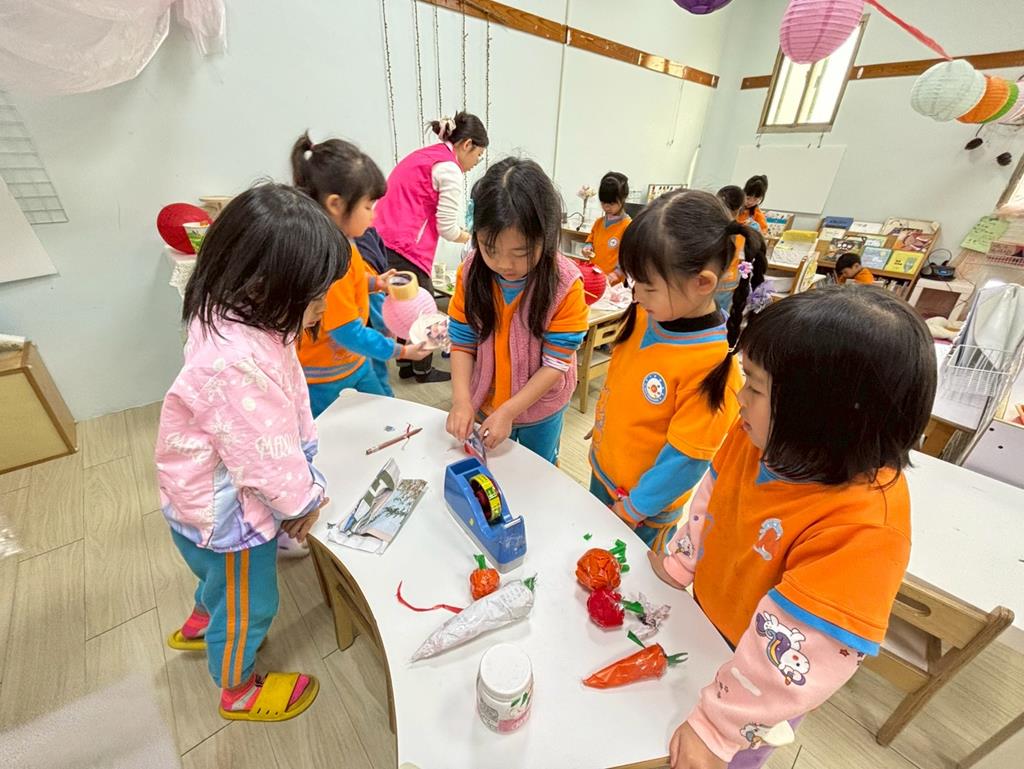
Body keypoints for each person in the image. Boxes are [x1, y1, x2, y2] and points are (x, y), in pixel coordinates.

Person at [649, 286, 936, 769]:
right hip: (705, 625)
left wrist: (717, 730)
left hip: (762, 686)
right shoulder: (755, 435)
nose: (740, 397)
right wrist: (682, 561)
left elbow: (795, 659)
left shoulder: (866, 527)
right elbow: (711, 502)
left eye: (756, 387)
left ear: (823, 415)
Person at [157, 184, 344, 722]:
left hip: (195, 494)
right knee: (251, 605)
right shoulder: (237, 362)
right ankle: (236, 687)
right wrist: (305, 500)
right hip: (229, 517)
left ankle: (202, 621)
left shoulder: (227, 309)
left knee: (214, 580)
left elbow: (278, 413)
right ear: (266, 285)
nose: (323, 307)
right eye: (316, 295)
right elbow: (266, 459)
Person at [589, 190, 764, 552]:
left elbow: (685, 460)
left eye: (648, 286)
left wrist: (635, 508)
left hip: (641, 509)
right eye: (634, 282)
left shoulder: (710, 365)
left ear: (702, 283)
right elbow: (624, 377)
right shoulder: (647, 313)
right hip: (604, 473)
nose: (636, 295)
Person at [445, 157, 589, 464]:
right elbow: (462, 342)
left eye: (520, 253)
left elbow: (556, 362)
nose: (504, 264)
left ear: (546, 236)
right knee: (492, 469)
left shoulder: (565, 284)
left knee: (538, 468)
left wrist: (509, 410)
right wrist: (461, 400)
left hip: (541, 408)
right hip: (485, 397)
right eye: (490, 249)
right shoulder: (471, 273)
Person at [290, 133, 430, 416]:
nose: (373, 216)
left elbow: (351, 285)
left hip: (355, 362)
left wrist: (375, 283)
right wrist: (401, 351)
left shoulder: (346, 243)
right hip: (326, 378)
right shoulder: (328, 261)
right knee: (339, 432)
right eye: (368, 206)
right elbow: (347, 331)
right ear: (336, 204)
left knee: (385, 409)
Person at [374, 111, 489, 383]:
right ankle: (423, 370)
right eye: (478, 155)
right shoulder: (449, 168)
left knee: (403, 303)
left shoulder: (426, 156)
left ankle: (406, 363)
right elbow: (447, 228)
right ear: (467, 144)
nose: (476, 163)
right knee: (425, 310)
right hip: (405, 246)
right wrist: (472, 238)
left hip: (383, 240)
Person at [582, 171, 631, 284]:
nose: (606, 207)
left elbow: (628, 257)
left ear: (623, 198)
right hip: (595, 276)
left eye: (611, 203)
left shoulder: (627, 226)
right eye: (603, 203)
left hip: (613, 281)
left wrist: (617, 273)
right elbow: (590, 240)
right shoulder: (599, 222)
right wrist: (587, 248)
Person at [715, 185, 746, 313]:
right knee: (720, 314)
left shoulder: (714, 230)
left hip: (717, 280)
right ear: (739, 209)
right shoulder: (743, 231)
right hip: (729, 280)